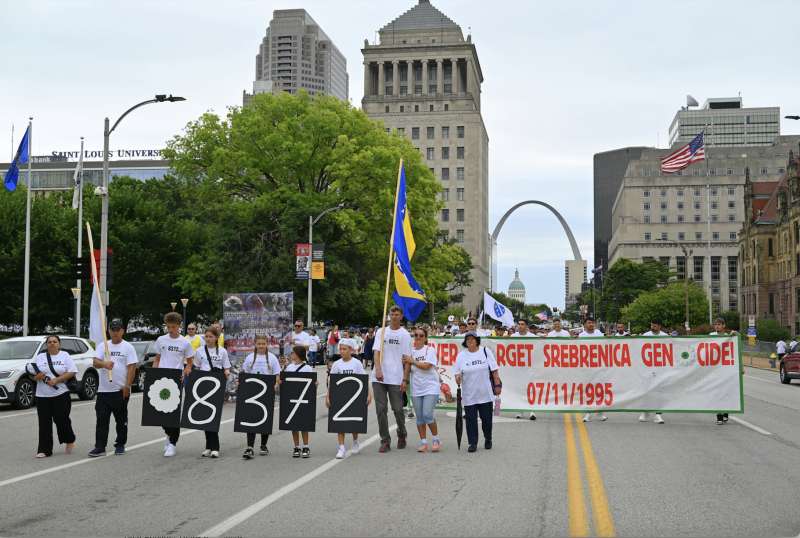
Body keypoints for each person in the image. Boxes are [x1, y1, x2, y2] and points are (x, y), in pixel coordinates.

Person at [88, 320, 137, 458]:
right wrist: (104, 363)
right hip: (104, 391)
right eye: (113, 329)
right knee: (101, 420)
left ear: (122, 331)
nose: (115, 332)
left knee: (121, 420)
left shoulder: (128, 347)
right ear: (109, 331)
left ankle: (120, 444)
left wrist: (127, 386)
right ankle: (100, 447)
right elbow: (95, 362)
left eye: (118, 329)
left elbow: (132, 367)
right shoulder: (103, 345)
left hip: (120, 390)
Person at [26, 335, 77, 458]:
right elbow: (32, 373)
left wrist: (57, 380)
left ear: (59, 344)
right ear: (46, 344)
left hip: (61, 393)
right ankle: (44, 450)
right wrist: (35, 378)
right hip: (42, 395)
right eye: (49, 342)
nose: (52, 343)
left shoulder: (65, 355)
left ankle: (69, 440)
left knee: (61, 419)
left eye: (55, 341)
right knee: (44, 423)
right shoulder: (40, 357)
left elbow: (72, 371)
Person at [153, 311, 195, 457]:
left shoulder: (185, 342)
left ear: (179, 326)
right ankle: (168, 434)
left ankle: (172, 443)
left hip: (176, 379)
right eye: (168, 327)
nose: (170, 330)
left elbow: (189, 363)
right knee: (160, 411)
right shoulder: (161, 340)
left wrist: (186, 371)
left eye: (173, 327)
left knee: (173, 412)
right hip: (162, 378)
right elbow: (157, 359)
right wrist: (154, 374)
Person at [372, 305, 412, 453]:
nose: (394, 316)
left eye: (397, 314)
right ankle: (385, 440)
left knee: (397, 409)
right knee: (381, 409)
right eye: (392, 314)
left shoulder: (405, 335)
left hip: (396, 377)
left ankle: (402, 434)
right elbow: (376, 353)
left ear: (401, 317)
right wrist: (378, 369)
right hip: (379, 377)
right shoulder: (381, 331)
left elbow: (408, 359)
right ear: (388, 315)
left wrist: (405, 379)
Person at [453, 332, 501, 453]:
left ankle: (488, 438)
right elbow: (457, 373)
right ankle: (472, 442)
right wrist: (458, 377)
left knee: (486, 420)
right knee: (470, 420)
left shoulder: (485, 351)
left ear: (477, 340)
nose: (470, 341)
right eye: (468, 339)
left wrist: (497, 384)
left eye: (472, 339)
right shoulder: (461, 355)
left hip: (485, 394)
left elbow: (494, 370)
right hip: (469, 395)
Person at [327, 339, 371, 459]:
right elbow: (331, 381)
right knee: (339, 422)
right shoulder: (337, 364)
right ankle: (341, 447)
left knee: (353, 421)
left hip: (354, 396)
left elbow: (364, 379)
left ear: (350, 350)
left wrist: (368, 394)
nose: (342, 351)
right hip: (340, 397)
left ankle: (355, 441)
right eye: (340, 349)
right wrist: (328, 396)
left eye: (344, 349)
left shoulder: (356, 363)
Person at [193, 325, 231, 458]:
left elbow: (226, 368)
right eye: (206, 336)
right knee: (205, 416)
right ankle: (208, 446)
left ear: (216, 338)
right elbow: (196, 368)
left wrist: (226, 373)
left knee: (213, 416)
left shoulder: (222, 351)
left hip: (217, 386)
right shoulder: (199, 351)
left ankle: (215, 447)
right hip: (203, 386)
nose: (208, 339)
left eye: (211, 336)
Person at [241, 334, 281, 459]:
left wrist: (275, 384)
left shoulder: (272, 358)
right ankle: (250, 447)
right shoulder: (249, 358)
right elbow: (245, 374)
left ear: (267, 344)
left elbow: (277, 375)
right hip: (253, 392)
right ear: (255, 344)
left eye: (263, 344)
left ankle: (263, 445)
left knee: (265, 418)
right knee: (251, 419)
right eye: (259, 344)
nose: (261, 346)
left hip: (267, 392)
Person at [403, 327, 442, 453]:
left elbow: (427, 366)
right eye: (416, 335)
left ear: (425, 338)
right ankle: (423, 441)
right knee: (419, 417)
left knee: (427, 414)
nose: (418, 338)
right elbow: (407, 368)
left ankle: (436, 439)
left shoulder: (429, 350)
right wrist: (404, 381)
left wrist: (412, 361)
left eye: (421, 335)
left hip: (430, 387)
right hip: (416, 388)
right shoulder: (411, 352)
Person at [283, 346, 316, 458]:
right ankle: (296, 447)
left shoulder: (307, 368)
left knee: (304, 424)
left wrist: (315, 385)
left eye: (293, 352)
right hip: (292, 398)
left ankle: (305, 446)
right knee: (294, 425)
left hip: (304, 398)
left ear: (298, 354)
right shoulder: (289, 367)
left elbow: (313, 382)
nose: (291, 354)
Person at [640, 320, 668, 425]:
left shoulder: (665, 336)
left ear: (659, 326)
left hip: (660, 368)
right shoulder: (645, 335)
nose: (653, 327)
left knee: (659, 391)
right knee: (646, 390)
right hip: (647, 367)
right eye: (651, 325)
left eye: (655, 326)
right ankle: (644, 412)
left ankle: (658, 414)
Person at [580, 317, 607, 423]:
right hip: (586, 366)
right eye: (589, 323)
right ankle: (588, 413)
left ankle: (600, 412)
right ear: (585, 324)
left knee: (599, 389)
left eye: (592, 323)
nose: (591, 324)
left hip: (598, 365)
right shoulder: (581, 336)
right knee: (588, 390)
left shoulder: (599, 334)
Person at [710, 318, 736, 425]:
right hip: (715, 369)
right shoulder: (711, 335)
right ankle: (719, 416)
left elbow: (736, 349)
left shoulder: (729, 336)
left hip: (726, 369)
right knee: (717, 393)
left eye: (719, 324)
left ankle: (725, 411)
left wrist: (736, 334)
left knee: (726, 392)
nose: (717, 326)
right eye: (715, 324)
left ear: (723, 325)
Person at [511, 319, 537, 420]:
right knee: (519, 389)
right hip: (517, 368)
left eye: (522, 324)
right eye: (519, 324)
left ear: (526, 326)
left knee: (530, 389)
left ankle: (532, 410)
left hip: (529, 368)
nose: (520, 326)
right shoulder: (513, 337)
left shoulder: (533, 337)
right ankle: (519, 411)